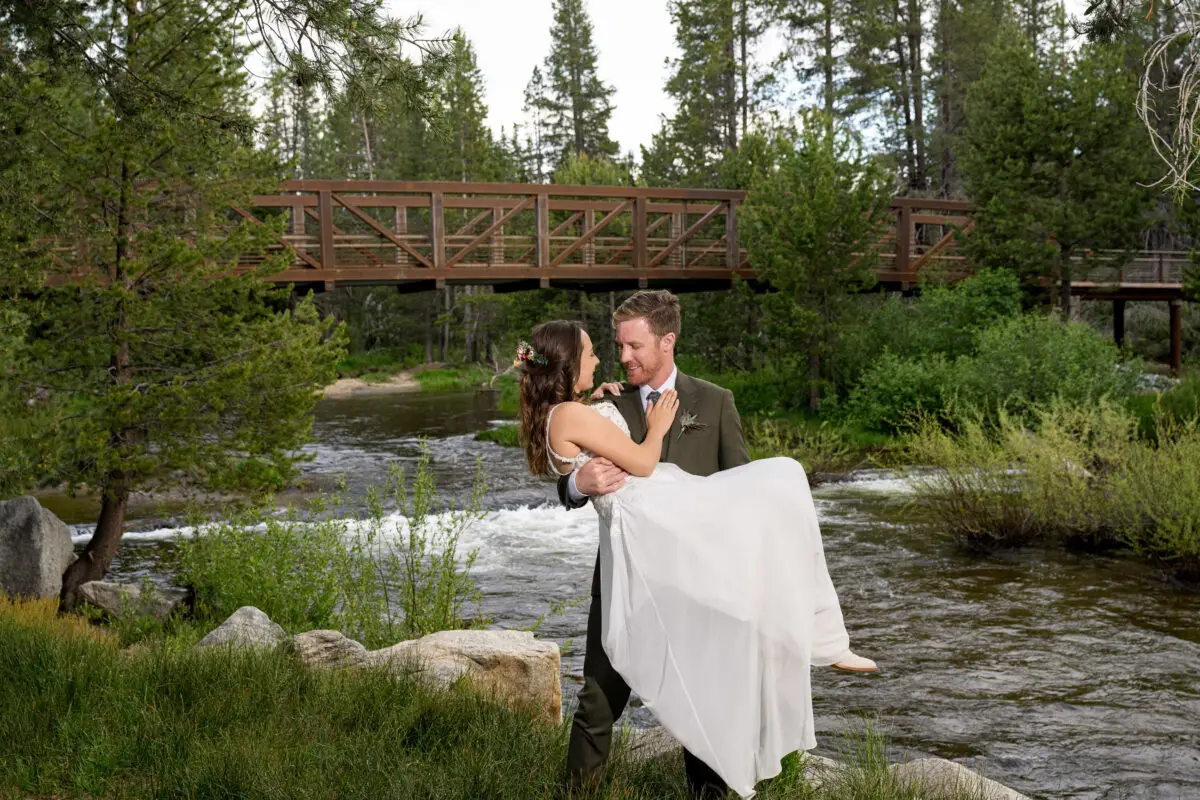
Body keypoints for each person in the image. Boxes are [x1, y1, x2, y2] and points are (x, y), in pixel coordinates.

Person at [517, 292, 877, 800]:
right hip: (628, 573)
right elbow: (573, 475)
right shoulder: (603, 401)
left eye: (633, 345)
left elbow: (739, 487)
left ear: (668, 341)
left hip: (698, 572)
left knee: (710, 693)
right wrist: (580, 486)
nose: (623, 357)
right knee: (599, 700)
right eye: (615, 346)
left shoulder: (713, 399)